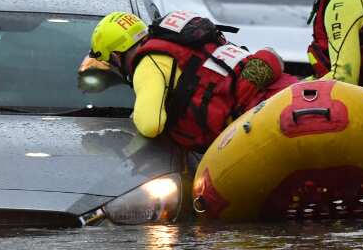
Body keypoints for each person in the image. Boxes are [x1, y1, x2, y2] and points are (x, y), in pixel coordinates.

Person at [85, 10, 296, 152]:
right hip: (286, 95)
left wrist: (123, 138)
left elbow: (151, 125)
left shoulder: (148, 63)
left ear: (115, 56)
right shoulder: (181, 44)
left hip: (258, 124)